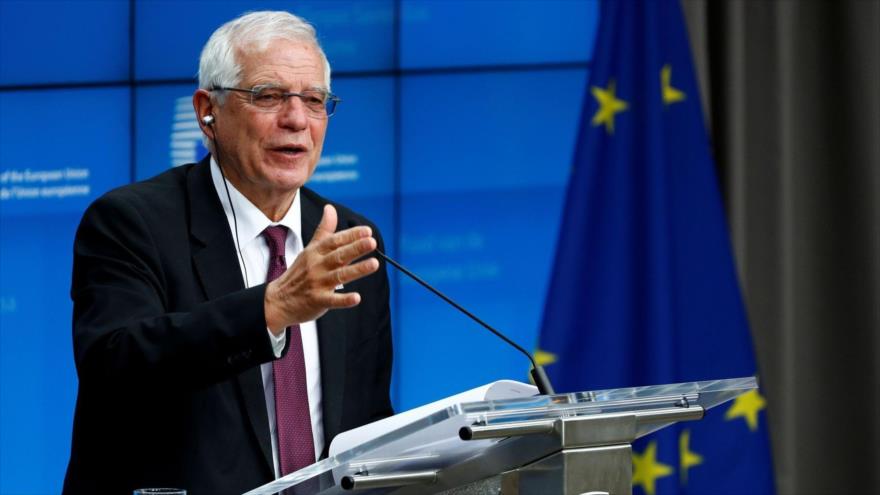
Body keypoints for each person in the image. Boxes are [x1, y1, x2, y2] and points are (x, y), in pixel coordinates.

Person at [63, 11, 393, 494]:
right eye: (269, 96)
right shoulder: (130, 222)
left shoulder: (350, 236)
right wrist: (271, 309)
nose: (297, 119)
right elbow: (116, 368)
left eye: (314, 100)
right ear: (206, 111)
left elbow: (367, 419)